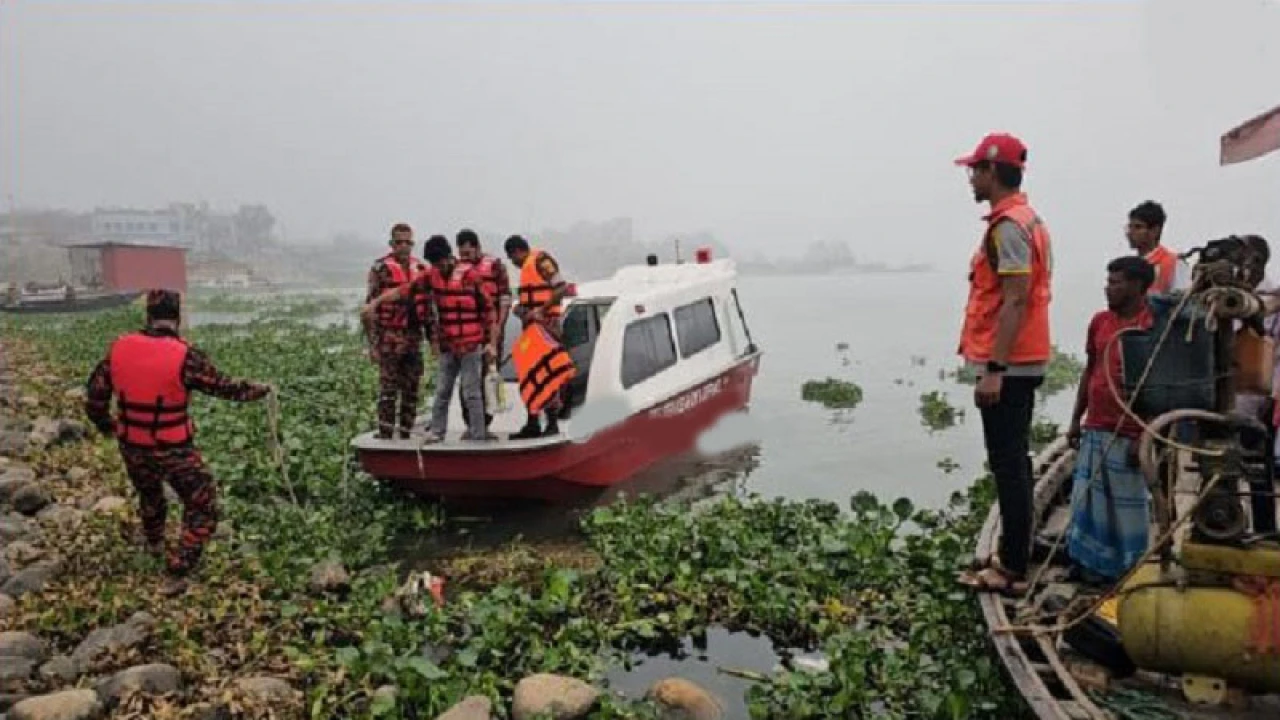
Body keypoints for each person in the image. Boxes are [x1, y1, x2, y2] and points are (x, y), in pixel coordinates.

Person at [83, 290, 270, 594]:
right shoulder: (186, 355)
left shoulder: (118, 349)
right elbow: (225, 387)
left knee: (150, 495)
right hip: (173, 447)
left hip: (132, 444)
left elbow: (94, 400)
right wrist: (257, 390)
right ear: (178, 317)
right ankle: (179, 565)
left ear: (148, 315)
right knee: (202, 503)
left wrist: (110, 427)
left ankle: (154, 543)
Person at [952, 132, 1053, 596]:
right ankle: (1018, 546)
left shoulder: (1009, 226)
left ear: (992, 172)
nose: (971, 177)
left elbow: (1014, 300)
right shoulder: (1026, 220)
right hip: (1023, 359)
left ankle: (1010, 568)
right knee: (1015, 460)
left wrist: (995, 368)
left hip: (1010, 365)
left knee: (1008, 462)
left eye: (975, 169)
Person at [1064, 257, 1156, 582]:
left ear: (1137, 286)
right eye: (1109, 281)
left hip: (1129, 431)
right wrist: (1076, 419)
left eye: (1116, 282)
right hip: (1097, 424)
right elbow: (1090, 371)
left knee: (1126, 509)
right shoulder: (1101, 322)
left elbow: (1160, 387)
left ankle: (1127, 571)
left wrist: (1145, 434)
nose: (1109, 288)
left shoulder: (1152, 325)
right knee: (1087, 502)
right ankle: (1088, 565)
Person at [366, 236, 496, 442]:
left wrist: (491, 344)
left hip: (470, 345)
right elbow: (403, 291)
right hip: (448, 345)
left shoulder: (471, 276)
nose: (439, 266)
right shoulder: (430, 275)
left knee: (471, 392)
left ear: (448, 257)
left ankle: (478, 434)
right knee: (442, 391)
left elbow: (489, 312)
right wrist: (376, 303)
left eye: (441, 262)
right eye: (434, 263)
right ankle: (437, 432)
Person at [504, 235, 573, 438]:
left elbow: (561, 288)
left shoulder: (541, 260)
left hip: (547, 328)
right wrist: (521, 309)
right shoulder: (526, 270)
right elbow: (529, 299)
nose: (513, 263)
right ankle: (532, 422)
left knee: (548, 372)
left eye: (512, 258)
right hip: (531, 330)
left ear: (517, 251)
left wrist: (542, 310)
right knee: (531, 374)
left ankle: (551, 423)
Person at [364, 223, 428, 439]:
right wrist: (372, 345)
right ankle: (385, 434)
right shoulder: (379, 268)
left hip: (413, 339)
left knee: (411, 390)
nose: (403, 246)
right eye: (399, 242)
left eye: (407, 242)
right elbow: (369, 309)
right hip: (388, 339)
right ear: (391, 244)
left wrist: (435, 341)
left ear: (412, 244)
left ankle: (406, 433)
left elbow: (429, 309)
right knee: (387, 392)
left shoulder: (421, 269)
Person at [456, 229, 512, 429]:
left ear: (477, 248)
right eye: (462, 255)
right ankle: (470, 425)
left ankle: (486, 425)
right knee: (468, 381)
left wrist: (498, 327)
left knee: (490, 377)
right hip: (468, 334)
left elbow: (505, 299)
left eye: (468, 254)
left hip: (492, 332)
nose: (465, 259)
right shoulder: (456, 269)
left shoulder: (496, 267)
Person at [1125, 200, 1189, 295]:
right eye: (1130, 227)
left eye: (1138, 227)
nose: (1130, 232)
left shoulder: (1174, 262)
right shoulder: (1128, 267)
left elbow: (1182, 300)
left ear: (1155, 231)